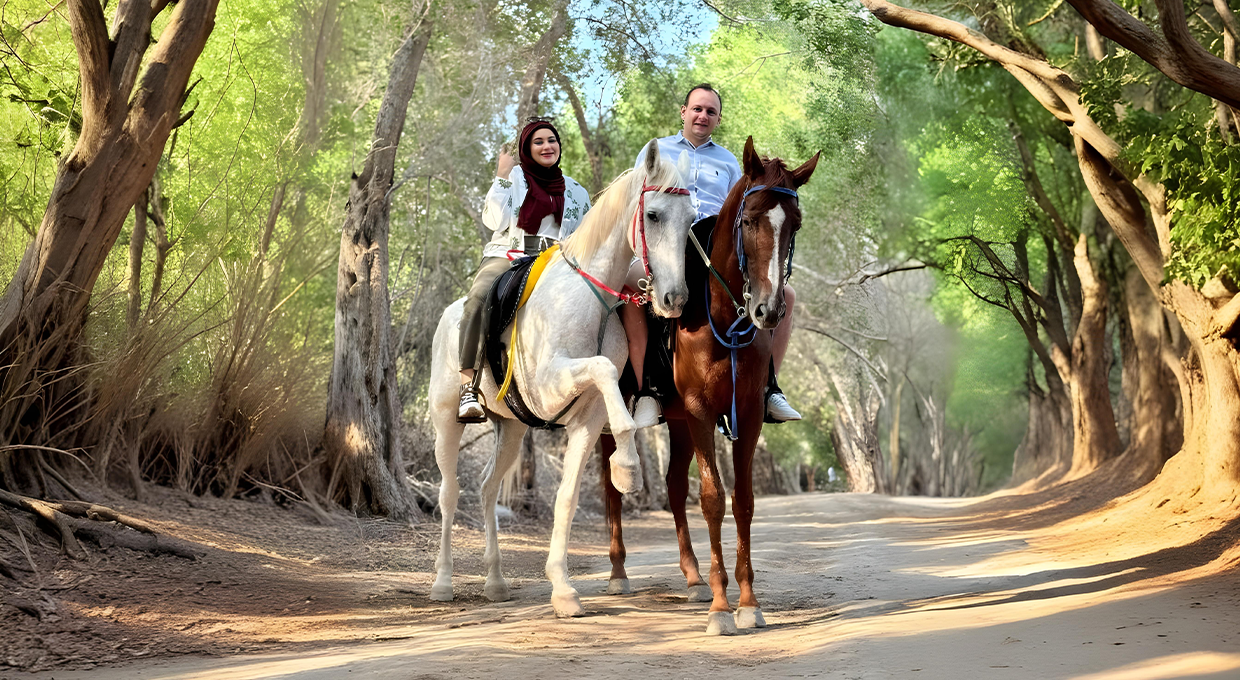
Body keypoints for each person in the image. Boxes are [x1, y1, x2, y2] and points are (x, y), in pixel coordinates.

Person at [624, 83, 801, 424]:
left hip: (717, 253)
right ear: (684, 112)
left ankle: (768, 389)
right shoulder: (656, 151)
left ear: (718, 120)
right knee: (634, 285)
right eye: (697, 109)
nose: (703, 115)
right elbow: (638, 203)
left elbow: (742, 212)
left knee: (787, 295)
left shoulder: (730, 161)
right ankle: (647, 391)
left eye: (711, 111)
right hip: (666, 248)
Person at [457, 119, 592, 422]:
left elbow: (585, 238)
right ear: (526, 149)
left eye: (552, 140)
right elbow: (494, 220)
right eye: (538, 142)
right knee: (477, 301)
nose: (547, 146)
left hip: (558, 263)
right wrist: (502, 176)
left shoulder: (576, 192)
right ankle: (469, 387)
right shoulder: (514, 178)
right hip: (510, 255)